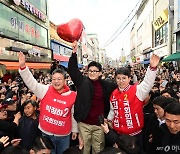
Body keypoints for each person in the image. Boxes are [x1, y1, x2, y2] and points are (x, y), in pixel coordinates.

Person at [18, 52, 78, 154]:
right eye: (53, 79)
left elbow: (73, 114)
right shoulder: (45, 90)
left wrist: (75, 129)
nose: (56, 82)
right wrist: (23, 67)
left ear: (65, 80)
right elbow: (32, 84)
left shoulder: (72, 95)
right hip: (46, 134)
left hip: (64, 136)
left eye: (59, 79)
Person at [68, 41, 117, 154]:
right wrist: (74, 53)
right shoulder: (82, 82)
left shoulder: (107, 85)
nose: (92, 73)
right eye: (90, 70)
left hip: (99, 125)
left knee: (98, 150)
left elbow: (120, 89)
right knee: (84, 150)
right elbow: (72, 70)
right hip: (84, 124)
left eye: (95, 71)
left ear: (100, 73)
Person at [107, 54, 160, 152]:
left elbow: (147, 83)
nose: (121, 81)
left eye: (124, 78)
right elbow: (112, 110)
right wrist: (109, 120)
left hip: (135, 134)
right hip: (118, 134)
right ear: (115, 79)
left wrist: (152, 68)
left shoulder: (137, 90)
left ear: (129, 78)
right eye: (118, 78)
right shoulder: (114, 93)